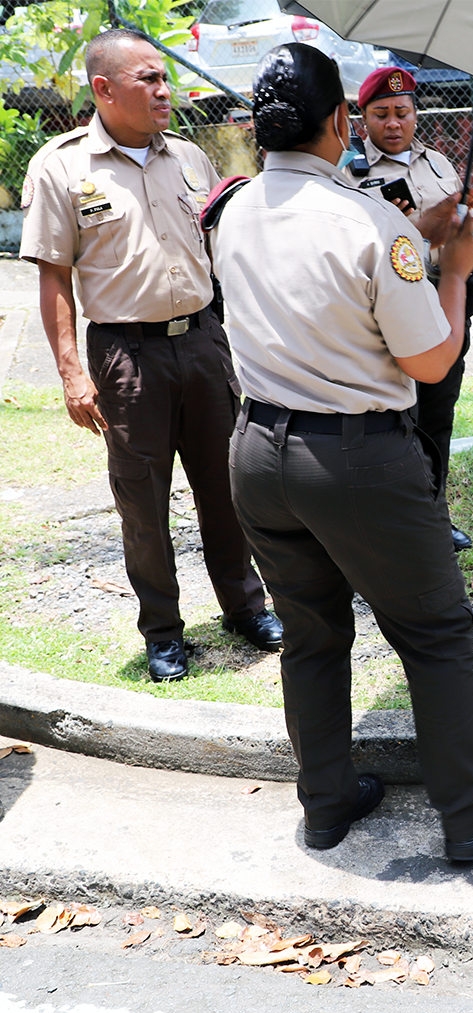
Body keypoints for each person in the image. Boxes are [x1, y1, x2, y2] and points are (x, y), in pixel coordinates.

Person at [209, 43, 473, 858]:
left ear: (257, 125)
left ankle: (327, 803)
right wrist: (453, 270)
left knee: (312, 635)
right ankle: (468, 813)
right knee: (436, 631)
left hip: (258, 452)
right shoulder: (369, 222)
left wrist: (414, 241)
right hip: (355, 460)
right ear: (341, 121)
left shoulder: (234, 208)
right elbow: (429, 362)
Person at [19, 28, 281, 683]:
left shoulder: (190, 158)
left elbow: (222, 257)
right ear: (103, 90)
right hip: (126, 356)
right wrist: (72, 374)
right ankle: (163, 631)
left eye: (165, 78)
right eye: (148, 80)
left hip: (202, 341)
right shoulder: (63, 166)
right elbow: (52, 275)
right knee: (143, 501)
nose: (165, 91)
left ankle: (244, 606)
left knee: (227, 485)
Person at [354, 66, 473, 552]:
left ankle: (434, 515)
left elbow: (467, 234)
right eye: (382, 115)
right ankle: (391, 519)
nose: (393, 124)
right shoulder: (351, 174)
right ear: (362, 118)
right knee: (398, 418)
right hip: (397, 308)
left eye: (403, 113)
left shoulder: (438, 164)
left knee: (439, 416)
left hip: (451, 299)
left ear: (417, 115)